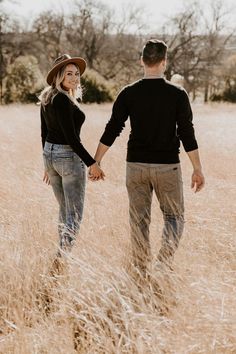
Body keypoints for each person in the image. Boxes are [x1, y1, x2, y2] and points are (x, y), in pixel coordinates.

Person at [90, 39, 205, 274]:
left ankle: (142, 269)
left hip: (136, 166)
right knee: (174, 217)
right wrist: (197, 168)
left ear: (142, 60)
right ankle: (162, 264)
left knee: (139, 221)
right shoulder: (178, 94)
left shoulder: (128, 93)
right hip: (168, 167)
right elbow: (186, 133)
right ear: (164, 62)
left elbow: (113, 128)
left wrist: (96, 160)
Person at [39, 54, 104, 255]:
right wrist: (92, 163)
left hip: (51, 156)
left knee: (65, 210)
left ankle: (61, 253)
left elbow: (45, 133)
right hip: (67, 158)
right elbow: (71, 139)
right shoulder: (61, 100)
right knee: (74, 214)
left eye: (77, 74)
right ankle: (62, 256)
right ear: (59, 75)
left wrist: (47, 164)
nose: (74, 78)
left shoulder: (48, 97)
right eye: (69, 73)